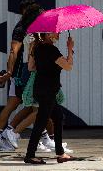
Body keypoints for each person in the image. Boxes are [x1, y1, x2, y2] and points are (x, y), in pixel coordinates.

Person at [0, 0, 43, 151]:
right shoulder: (20, 28)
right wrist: (10, 72)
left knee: (31, 106)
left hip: (23, 71)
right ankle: (0, 135)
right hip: (20, 72)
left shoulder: (31, 28)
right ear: (25, 11)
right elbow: (13, 51)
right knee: (24, 105)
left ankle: (7, 134)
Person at [24, 32, 74, 164]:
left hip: (41, 89)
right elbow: (68, 66)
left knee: (58, 117)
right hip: (48, 91)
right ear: (46, 34)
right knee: (41, 121)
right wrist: (70, 48)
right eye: (54, 31)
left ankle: (60, 152)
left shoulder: (38, 48)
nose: (57, 33)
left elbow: (31, 67)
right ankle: (30, 155)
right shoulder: (51, 49)